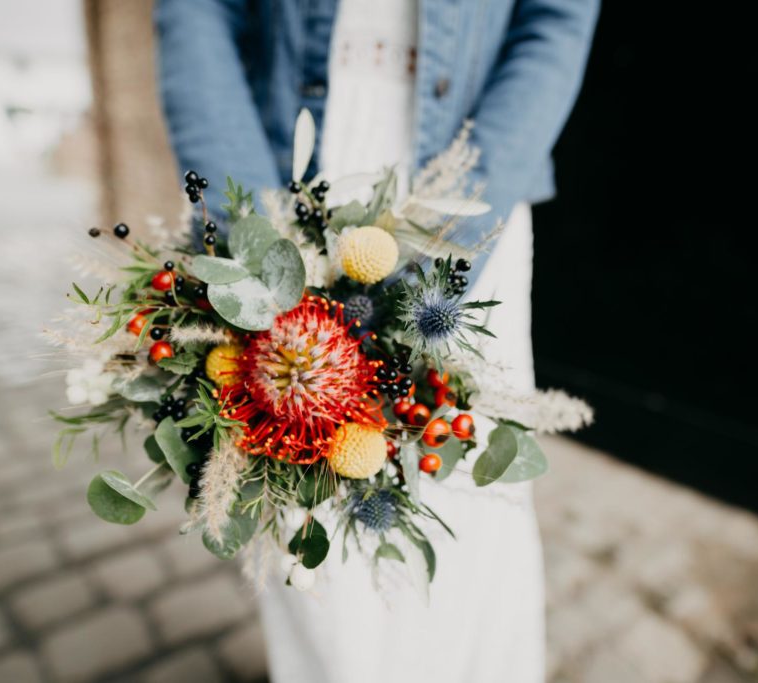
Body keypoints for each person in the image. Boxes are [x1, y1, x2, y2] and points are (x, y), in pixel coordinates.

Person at [156, 1, 599, 681]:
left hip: (474, 186)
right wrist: (252, 237)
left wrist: (448, 240)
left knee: (468, 493)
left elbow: (556, 20)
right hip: (288, 178)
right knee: (302, 494)